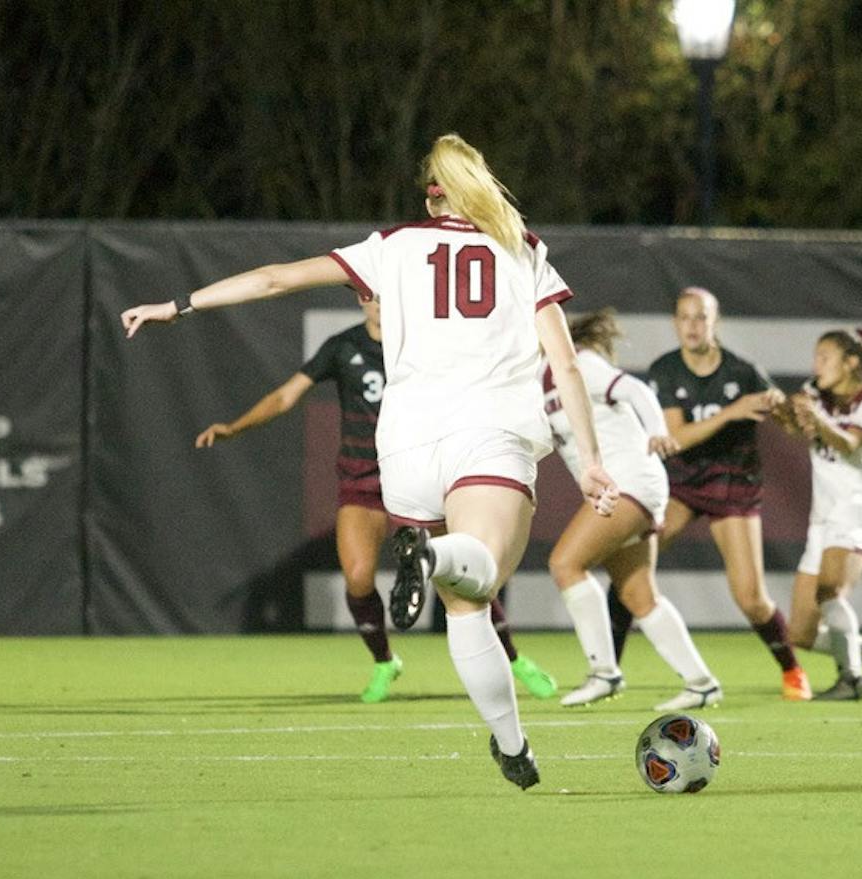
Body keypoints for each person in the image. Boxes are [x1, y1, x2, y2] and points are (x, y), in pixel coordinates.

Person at [122, 133, 617, 791]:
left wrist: (178, 305)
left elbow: (276, 277)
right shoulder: (520, 249)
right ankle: (438, 563)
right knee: (483, 574)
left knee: (464, 606)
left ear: (430, 196)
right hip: (486, 431)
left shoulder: (390, 246)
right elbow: (564, 364)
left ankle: (514, 745)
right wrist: (590, 459)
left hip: (405, 444)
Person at [193, 292, 558, 704]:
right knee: (359, 576)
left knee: (459, 578)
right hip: (362, 480)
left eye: (389, 295)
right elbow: (285, 396)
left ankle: (513, 658)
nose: (381, 304)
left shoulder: (426, 342)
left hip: (417, 475)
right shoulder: (342, 346)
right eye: (372, 296)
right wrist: (234, 427)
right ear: (362, 300)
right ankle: (385, 661)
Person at [609, 287, 811, 700]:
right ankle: (607, 670)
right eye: (684, 318)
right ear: (675, 323)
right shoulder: (665, 369)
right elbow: (676, 437)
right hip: (681, 485)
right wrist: (733, 412)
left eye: (700, 317)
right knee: (628, 568)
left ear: (715, 322)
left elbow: (790, 424)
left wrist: (795, 412)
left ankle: (792, 668)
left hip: (733, 486)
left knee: (751, 599)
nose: (692, 326)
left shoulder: (744, 371)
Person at [544, 309, 722, 709]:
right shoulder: (536, 380)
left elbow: (636, 392)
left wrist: (658, 429)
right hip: (620, 487)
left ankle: (604, 672)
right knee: (639, 596)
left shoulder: (579, 363)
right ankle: (701, 682)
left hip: (632, 480)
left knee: (565, 564)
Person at [772, 328, 862, 701]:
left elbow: (850, 444)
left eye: (824, 356)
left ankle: (851, 678)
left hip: (854, 513)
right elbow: (796, 428)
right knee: (801, 633)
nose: (816, 364)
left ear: (851, 362)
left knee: (830, 592)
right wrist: (782, 412)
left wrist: (816, 416)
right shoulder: (818, 396)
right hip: (821, 521)